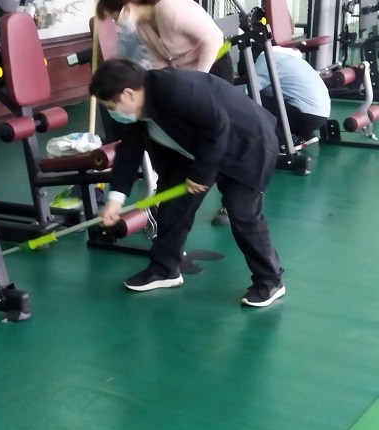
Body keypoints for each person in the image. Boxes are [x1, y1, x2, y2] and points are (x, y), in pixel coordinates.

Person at [90, 59, 285, 307]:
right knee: (173, 206)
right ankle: (165, 269)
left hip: (247, 143)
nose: (111, 112)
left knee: (242, 212)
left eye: (110, 106)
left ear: (129, 93)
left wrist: (202, 174)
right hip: (198, 149)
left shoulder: (173, 88)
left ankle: (270, 280)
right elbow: (128, 153)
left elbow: (218, 126)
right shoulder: (133, 114)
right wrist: (114, 200)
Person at [211, 45, 331, 226]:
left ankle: (274, 141)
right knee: (267, 95)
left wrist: (218, 92)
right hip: (319, 116)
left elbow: (250, 89)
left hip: (304, 114)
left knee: (249, 100)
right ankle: (293, 135)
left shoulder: (263, 60)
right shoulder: (286, 57)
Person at [96, 0, 234, 85]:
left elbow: (214, 39)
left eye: (114, 17)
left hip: (214, 63)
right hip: (192, 74)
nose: (116, 24)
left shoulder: (169, 8)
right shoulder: (142, 28)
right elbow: (159, 63)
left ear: (127, 6)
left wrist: (198, 79)